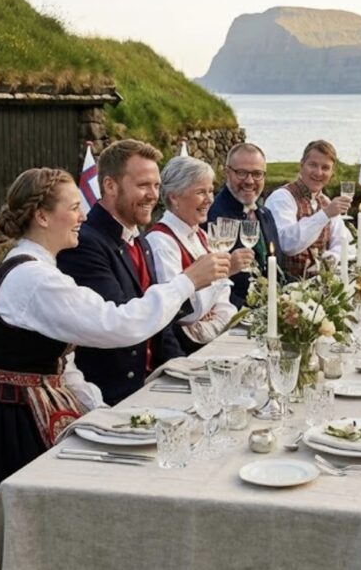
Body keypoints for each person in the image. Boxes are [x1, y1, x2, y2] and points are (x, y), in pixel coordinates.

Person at [0, 168, 230, 528]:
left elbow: (61, 360)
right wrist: (187, 282)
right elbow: (117, 324)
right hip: (10, 430)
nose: (83, 215)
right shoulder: (35, 278)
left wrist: (97, 409)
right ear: (42, 216)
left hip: (28, 407)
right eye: (73, 207)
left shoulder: (38, 267)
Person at [57, 139, 186, 405]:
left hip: (154, 383)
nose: (153, 195)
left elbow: (162, 326)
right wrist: (191, 280)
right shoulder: (85, 244)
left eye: (156, 185)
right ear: (110, 186)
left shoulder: (138, 239)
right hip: (113, 397)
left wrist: (184, 372)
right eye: (143, 185)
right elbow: (123, 325)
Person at [146, 156, 252, 353]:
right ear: (174, 197)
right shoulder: (161, 242)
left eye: (211, 191)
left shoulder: (201, 234)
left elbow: (223, 299)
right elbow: (182, 312)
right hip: (184, 350)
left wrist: (214, 325)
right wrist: (224, 273)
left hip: (211, 342)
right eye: (200, 192)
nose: (210, 199)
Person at [207, 143, 284, 308]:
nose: (249, 181)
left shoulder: (266, 214)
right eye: (241, 173)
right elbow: (209, 282)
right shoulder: (213, 215)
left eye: (257, 174)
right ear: (227, 173)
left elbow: (276, 267)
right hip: (234, 316)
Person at [264, 139, 353, 279]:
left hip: (321, 288)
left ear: (331, 173)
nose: (318, 173)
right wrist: (325, 215)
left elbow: (342, 242)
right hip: (285, 288)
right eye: (313, 165)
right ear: (302, 165)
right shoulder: (282, 198)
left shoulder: (326, 201)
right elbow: (288, 244)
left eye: (325, 168)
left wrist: (330, 259)